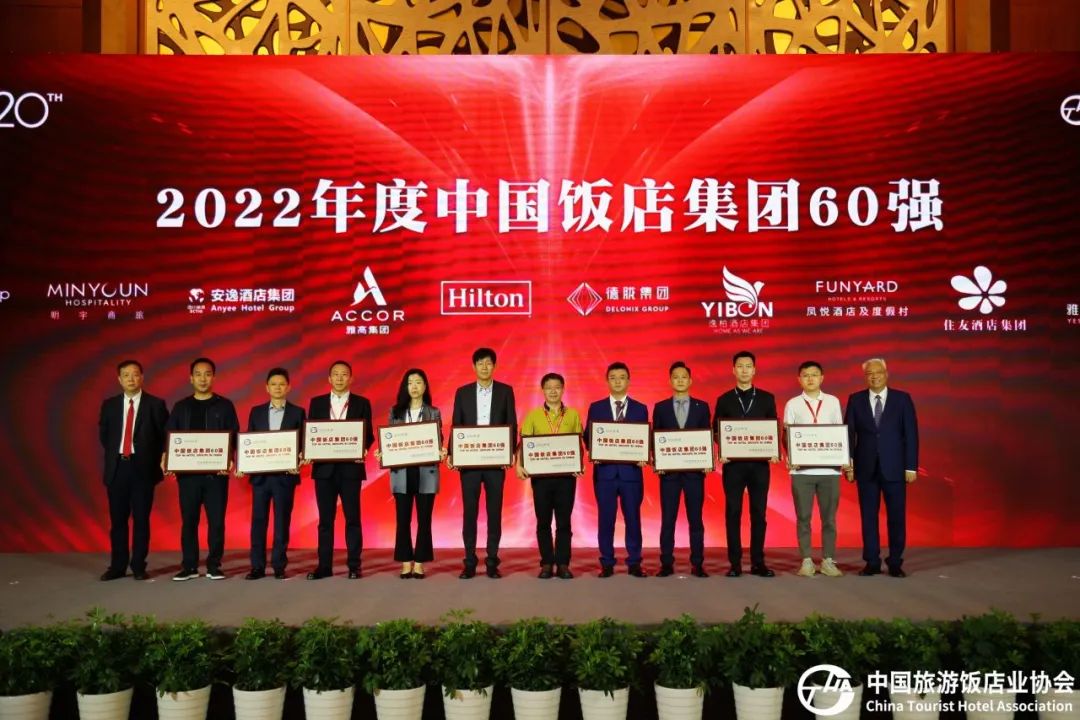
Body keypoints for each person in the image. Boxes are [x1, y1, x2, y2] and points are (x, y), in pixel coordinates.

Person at [163, 357, 240, 581]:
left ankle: (214, 565)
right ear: (191, 378)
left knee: (216, 522)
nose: (203, 378)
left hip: (216, 476)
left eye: (207, 374)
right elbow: (170, 437)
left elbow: (234, 436)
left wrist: (230, 459)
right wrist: (167, 458)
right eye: (198, 374)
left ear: (213, 377)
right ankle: (189, 566)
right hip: (188, 477)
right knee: (189, 521)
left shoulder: (225, 405)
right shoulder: (181, 407)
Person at [845, 358, 919, 578]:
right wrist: (849, 464)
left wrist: (911, 467)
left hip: (895, 467)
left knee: (896, 516)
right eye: (869, 373)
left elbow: (911, 434)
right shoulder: (855, 399)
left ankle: (895, 562)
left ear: (886, 374)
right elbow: (848, 434)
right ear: (865, 377)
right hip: (865, 467)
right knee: (868, 517)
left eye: (878, 372)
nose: (874, 376)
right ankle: (872, 561)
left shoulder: (902, 399)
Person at [97, 359, 169, 581]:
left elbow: (164, 436)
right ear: (119, 379)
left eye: (135, 374)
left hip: (143, 469)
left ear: (142, 377)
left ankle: (138, 565)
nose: (131, 379)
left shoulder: (155, 404)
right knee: (118, 521)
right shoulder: (109, 405)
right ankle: (117, 566)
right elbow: (105, 436)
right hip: (118, 468)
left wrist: (159, 457)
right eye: (126, 375)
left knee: (141, 519)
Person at [450, 348, 517, 579]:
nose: (485, 367)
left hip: (495, 462)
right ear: (474, 367)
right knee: (469, 513)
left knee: (494, 513)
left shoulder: (506, 391)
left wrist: (509, 452)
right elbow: (456, 424)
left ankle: (491, 562)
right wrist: (453, 453)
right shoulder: (463, 392)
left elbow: (512, 423)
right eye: (480, 363)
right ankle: (469, 562)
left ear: (495, 366)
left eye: (489, 363)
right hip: (469, 461)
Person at [307, 360, 374, 580]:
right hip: (324, 471)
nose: (339, 378)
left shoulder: (362, 403)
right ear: (329, 378)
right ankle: (324, 567)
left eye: (344, 374)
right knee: (325, 521)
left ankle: (354, 566)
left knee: (352, 519)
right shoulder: (316, 403)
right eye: (335, 374)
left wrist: (362, 448)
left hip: (350, 470)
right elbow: (311, 434)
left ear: (351, 378)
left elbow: (368, 435)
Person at [713, 350, 779, 578]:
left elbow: (772, 429)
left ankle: (758, 562)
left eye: (748, 366)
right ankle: (735, 564)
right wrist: (723, 448)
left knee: (759, 513)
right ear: (733, 370)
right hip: (733, 466)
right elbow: (715, 431)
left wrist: (773, 451)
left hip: (759, 466)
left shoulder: (767, 398)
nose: (744, 370)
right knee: (733, 512)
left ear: (754, 370)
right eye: (740, 366)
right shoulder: (724, 399)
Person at [376, 369, 445, 580]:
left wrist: (441, 450)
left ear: (425, 386)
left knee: (424, 520)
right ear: (405, 387)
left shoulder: (434, 412)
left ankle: (420, 562)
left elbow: (439, 439)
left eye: (418, 382)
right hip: (402, 472)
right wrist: (383, 452)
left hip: (426, 471)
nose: (414, 386)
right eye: (410, 382)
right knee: (402, 519)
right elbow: (389, 440)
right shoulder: (395, 412)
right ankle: (406, 562)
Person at [239, 367, 305, 580]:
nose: (278, 387)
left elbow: (303, 443)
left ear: (288, 387)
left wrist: (300, 459)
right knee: (258, 521)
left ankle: (279, 566)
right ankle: (257, 567)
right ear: (267, 388)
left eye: (282, 384)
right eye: (273, 384)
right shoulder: (256, 412)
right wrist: (242, 464)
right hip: (261, 477)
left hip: (285, 476)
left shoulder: (297, 412)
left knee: (282, 522)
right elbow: (249, 441)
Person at [783, 361, 847, 578]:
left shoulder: (833, 401)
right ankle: (807, 560)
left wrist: (843, 458)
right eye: (805, 375)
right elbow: (787, 435)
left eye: (814, 374)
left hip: (830, 470)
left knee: (829, 519)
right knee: (803, 517)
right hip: (802, 472)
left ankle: (828, 560)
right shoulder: (793, 404)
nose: (810, 379)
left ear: (822, 378)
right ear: (799, 379)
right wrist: (792, 457)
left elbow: (839, 433)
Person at [585, 361, 650, 578]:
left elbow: (645, 439)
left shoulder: (641, 408)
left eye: (622, 377)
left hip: (631, 474)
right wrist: (594, 450)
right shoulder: (596, 407)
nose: (618, 381)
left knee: (633, 519)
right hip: (605, 473)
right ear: (607, 381)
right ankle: (607, 562)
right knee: (606, 519)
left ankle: (634, 562)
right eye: (613, 378)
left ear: (628, 381)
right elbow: (588, 437)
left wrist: (644, 455)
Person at [517, 372, 583, 580]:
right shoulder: (533, 416)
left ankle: (563, 564)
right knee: (543, 521)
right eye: (549, 387)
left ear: (563, 389)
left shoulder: (573, 415)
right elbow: (523, 444)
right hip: (541, 479)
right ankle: (546, 563)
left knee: (564, 522)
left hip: (566, 478)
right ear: (542, 390)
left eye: (557, 387)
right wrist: (519, 465)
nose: (553, 391)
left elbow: (578, 444)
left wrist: (579, 464)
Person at [652, 361, 712, 578]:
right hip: (669, 475)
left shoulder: (702, 407)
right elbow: (656, 437)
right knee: (668, 520)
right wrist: (657, 462)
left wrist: (707, 460)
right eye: (676, 377)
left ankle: (697, 564)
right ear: (670, 381)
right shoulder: (660, 407)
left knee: (696, 520)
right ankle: (666, 563)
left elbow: (706, 436)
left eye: (684, 377)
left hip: (694, 475)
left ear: (690, 380)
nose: (680, 380)